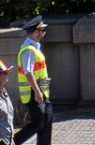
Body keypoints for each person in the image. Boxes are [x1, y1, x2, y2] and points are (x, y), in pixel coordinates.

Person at [15, 16, 51, 145]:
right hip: (33, 93)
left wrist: (42, 91)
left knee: (46, 122)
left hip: (42, 91)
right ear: (36, 32)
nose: (44, 32)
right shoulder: (28, 50)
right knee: (38, 123)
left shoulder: (35, 47)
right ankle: (12, 142)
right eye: (42, 29)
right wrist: (37, 91)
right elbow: (28, 72)